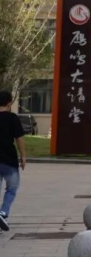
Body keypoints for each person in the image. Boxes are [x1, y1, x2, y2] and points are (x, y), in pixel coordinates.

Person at [0, 91, 25, 232]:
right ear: (9, 103)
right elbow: (19, 138)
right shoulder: (12, 118)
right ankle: (3, 213)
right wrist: (23, 156)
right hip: (9, 159)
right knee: (12, 188)